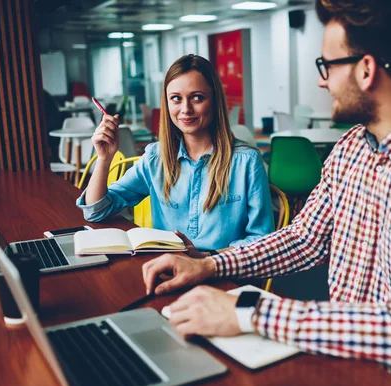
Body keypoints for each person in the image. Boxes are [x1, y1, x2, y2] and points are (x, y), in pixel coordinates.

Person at [142, 1, 391, 386]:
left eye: (327, 66)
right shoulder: (353, 148)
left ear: (366, 69)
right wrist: (207, 264)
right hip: (334, 361)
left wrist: (248, 312)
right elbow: (305, 238)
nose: (323, 82)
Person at [77, 55, 274, 252]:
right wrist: (104, 159)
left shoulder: (246, 161)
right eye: (176, 98)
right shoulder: (156, 158)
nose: (185, 109)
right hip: (169, 270)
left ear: (215, 101)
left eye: (197, 97)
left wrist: (206, 260)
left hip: (223, 272)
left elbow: (261, 239)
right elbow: (96, 211)